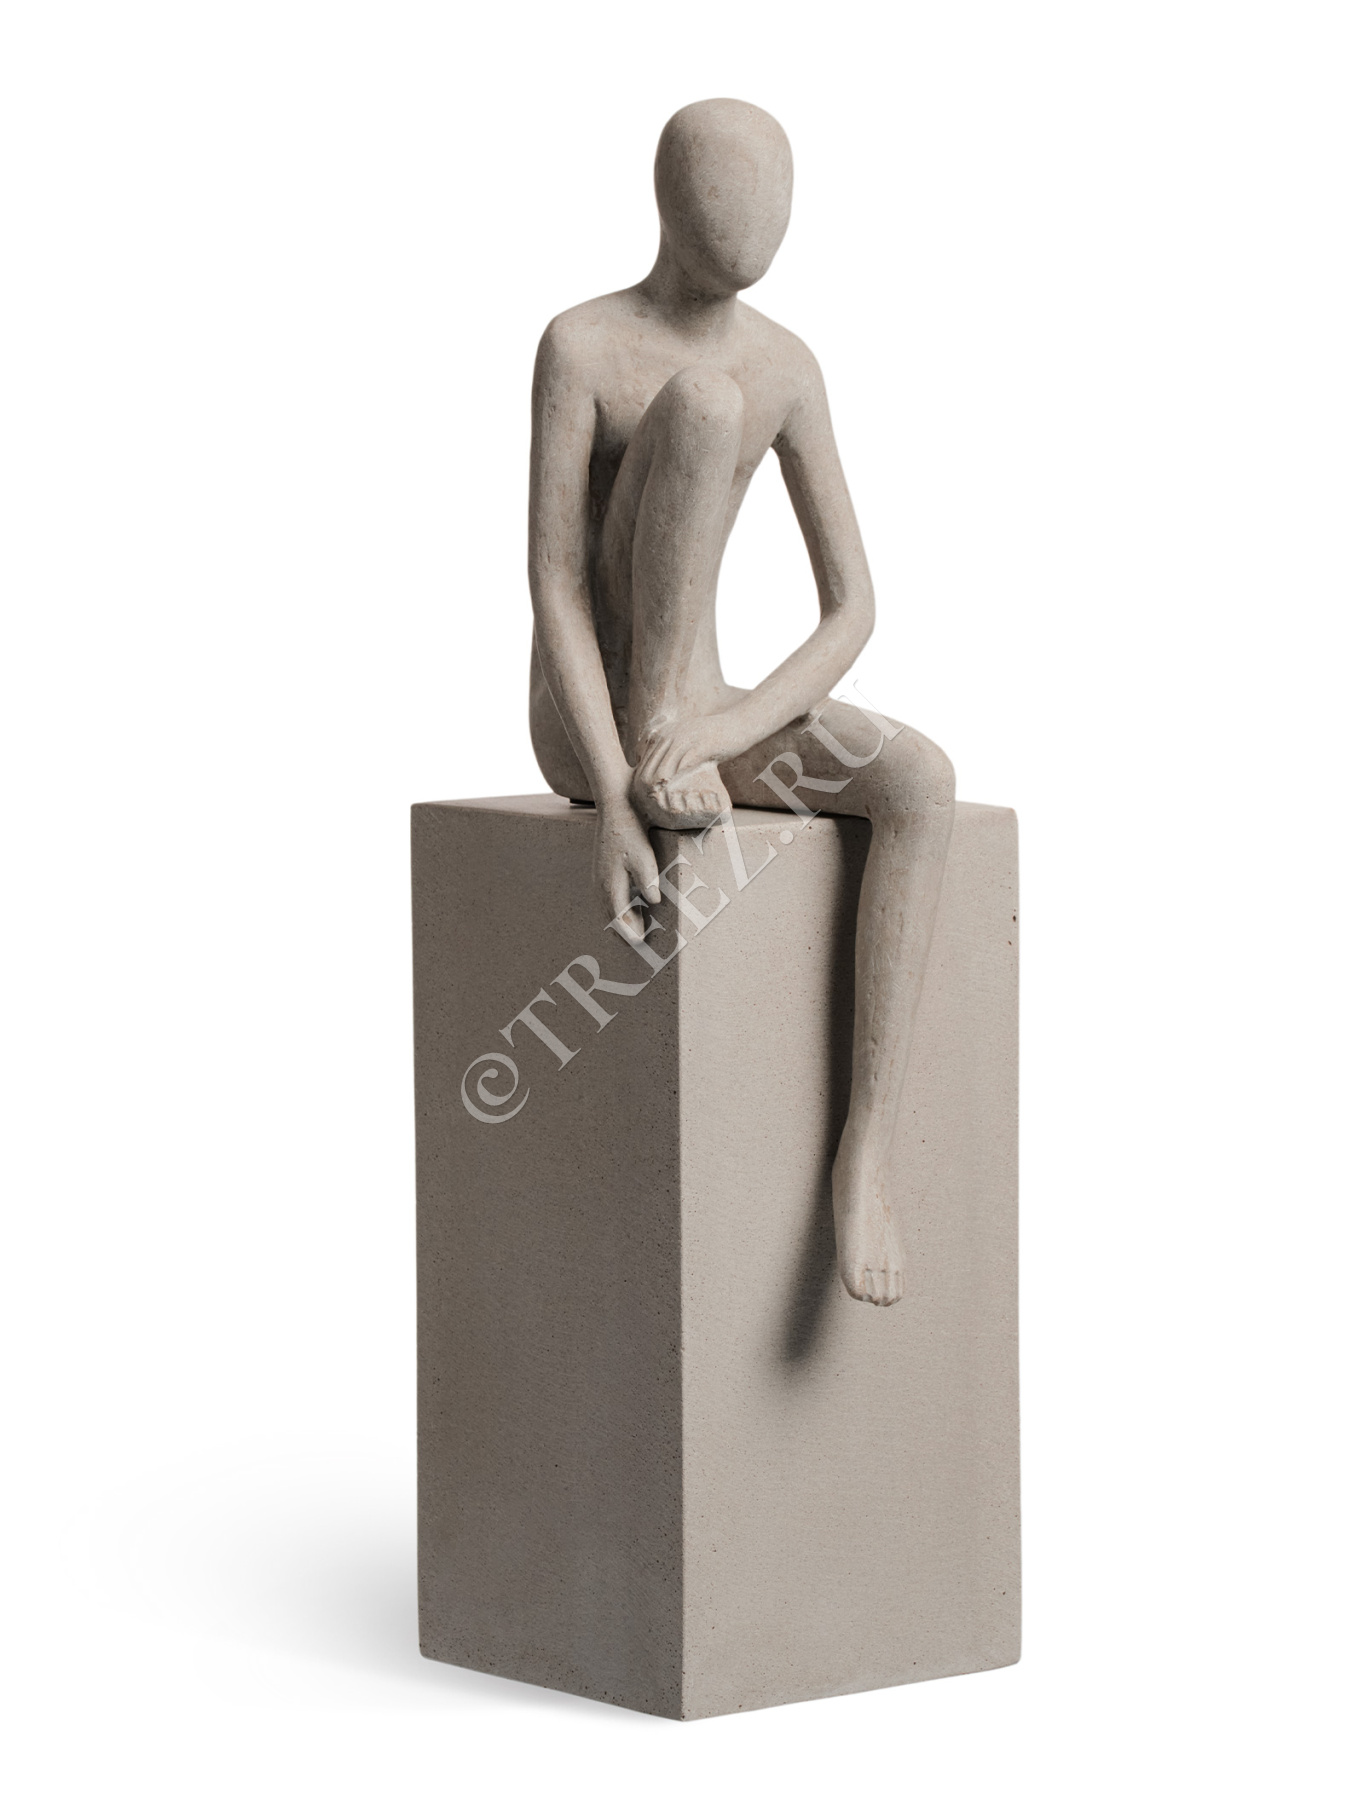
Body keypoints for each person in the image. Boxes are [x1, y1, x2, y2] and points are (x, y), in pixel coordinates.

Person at [527, 98, 955, 1307]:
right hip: (594, 718)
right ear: (672, 200)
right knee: (706, 403)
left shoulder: (787, 364)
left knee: (918, 781)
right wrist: (615, 797)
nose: (753, 221)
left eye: (771, 197)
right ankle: (659, 746)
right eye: (728, 193)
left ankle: (864, 1151)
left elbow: (852, 606)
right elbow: (555, 581)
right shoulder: (582, 344)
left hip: (700, 719)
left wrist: (725, 728)